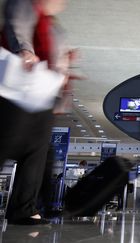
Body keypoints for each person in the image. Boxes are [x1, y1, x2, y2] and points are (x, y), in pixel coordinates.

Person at [0, 0, 73, 225]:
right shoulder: (25, 4)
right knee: (5, 143)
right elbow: (16, 25)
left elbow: (58, 61)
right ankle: (23, 208)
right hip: (17, 89)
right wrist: (24, 49)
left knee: (36, 154)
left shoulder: (53, 25)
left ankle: (23, 209)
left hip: (41, 94)